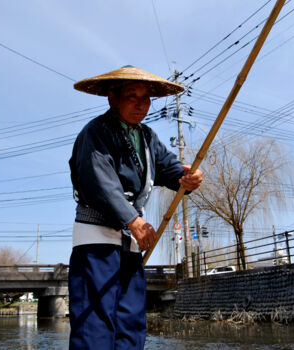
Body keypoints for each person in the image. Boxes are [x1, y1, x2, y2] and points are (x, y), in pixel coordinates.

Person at [68, 65, 203, 349]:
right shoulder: (95, 133)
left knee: (131, 324)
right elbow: (100, 183)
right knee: (95, 325)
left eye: (146, 98)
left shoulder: (148, 138)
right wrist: (134, 221)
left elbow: (171, 171)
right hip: (97, 241)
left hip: (130, 242)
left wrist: (188, 178)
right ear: (112, 98)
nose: (141, 104)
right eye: (133, 96)